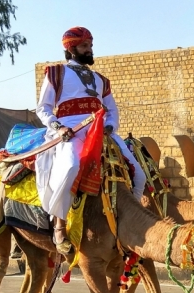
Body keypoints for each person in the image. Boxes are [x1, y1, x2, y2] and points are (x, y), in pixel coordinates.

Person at [35, 26, 145, 255]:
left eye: (91, 45)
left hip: (102, 131)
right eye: (85, 46)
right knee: (72, 166)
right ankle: (59, 226)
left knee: (140, 174)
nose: (90, 50)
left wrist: (109, 127)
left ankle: (129, 222)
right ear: (72, 48)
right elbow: (43, 109)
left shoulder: (101, 80)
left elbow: (112, 111)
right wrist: (59, 127)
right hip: (71, 131)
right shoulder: (56, 73)